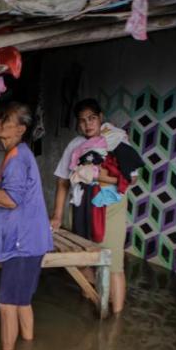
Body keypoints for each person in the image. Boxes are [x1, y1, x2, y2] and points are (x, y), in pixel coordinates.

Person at [0, 102, 53, 350]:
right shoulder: (20, 154)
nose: (0, 121)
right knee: (22, 302)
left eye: (7, 119)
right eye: (1, 117)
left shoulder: (17, 159)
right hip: (31, 241)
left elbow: (10, 200)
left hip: (22, 243)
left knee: (7, 305)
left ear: (21, 129)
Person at [50, 98, 142, 314]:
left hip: (111, 209)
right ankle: (92, 302)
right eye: (82, 121)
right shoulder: (75, 145)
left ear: (101, 117)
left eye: (91, 118)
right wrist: (57, 216)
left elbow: (133, 178)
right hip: (82, 207)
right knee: (82, 258)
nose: (87, 124)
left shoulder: (116, 140)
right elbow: (63, 182)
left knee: (113, 264)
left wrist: (95, 175)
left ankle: (116, 319)